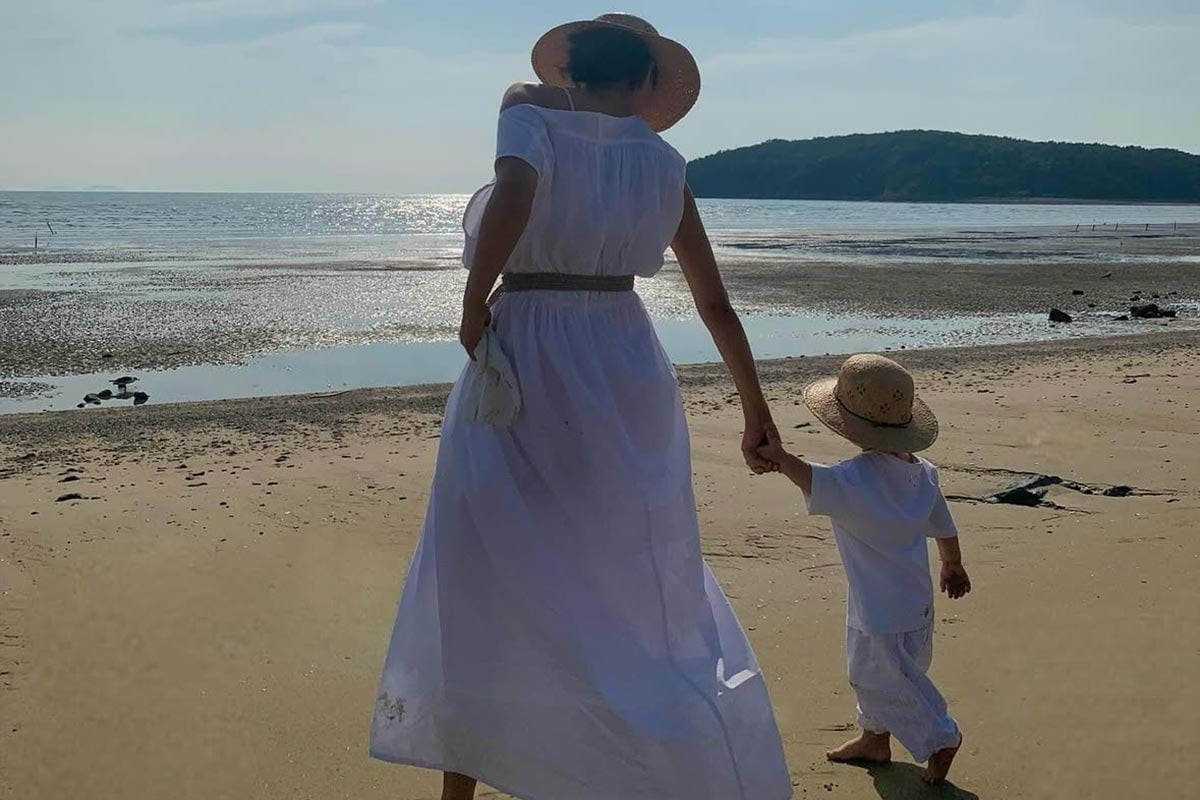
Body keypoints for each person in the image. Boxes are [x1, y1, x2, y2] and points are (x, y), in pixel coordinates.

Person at [370, 14, 792, 800]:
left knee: (481, 564)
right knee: (623, 576)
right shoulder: (663, 162)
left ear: (568, 69)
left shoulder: (527, 108)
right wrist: (755, 412)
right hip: (624, 360)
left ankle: (467, 786)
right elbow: (714, 303)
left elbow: (516, 192)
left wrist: (470, 302)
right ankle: (637, 763)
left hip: (531, 346)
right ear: (648, 80)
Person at [755, 353, 970, 784]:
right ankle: (874, 739)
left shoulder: (854, 478)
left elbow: (810, 478)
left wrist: (777, 456)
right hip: (917, 604)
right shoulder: (924, 474)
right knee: (901, 672)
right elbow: (944, 525)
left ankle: (940, 737)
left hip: (875, 610)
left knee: (877, 679)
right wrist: (952, 564)